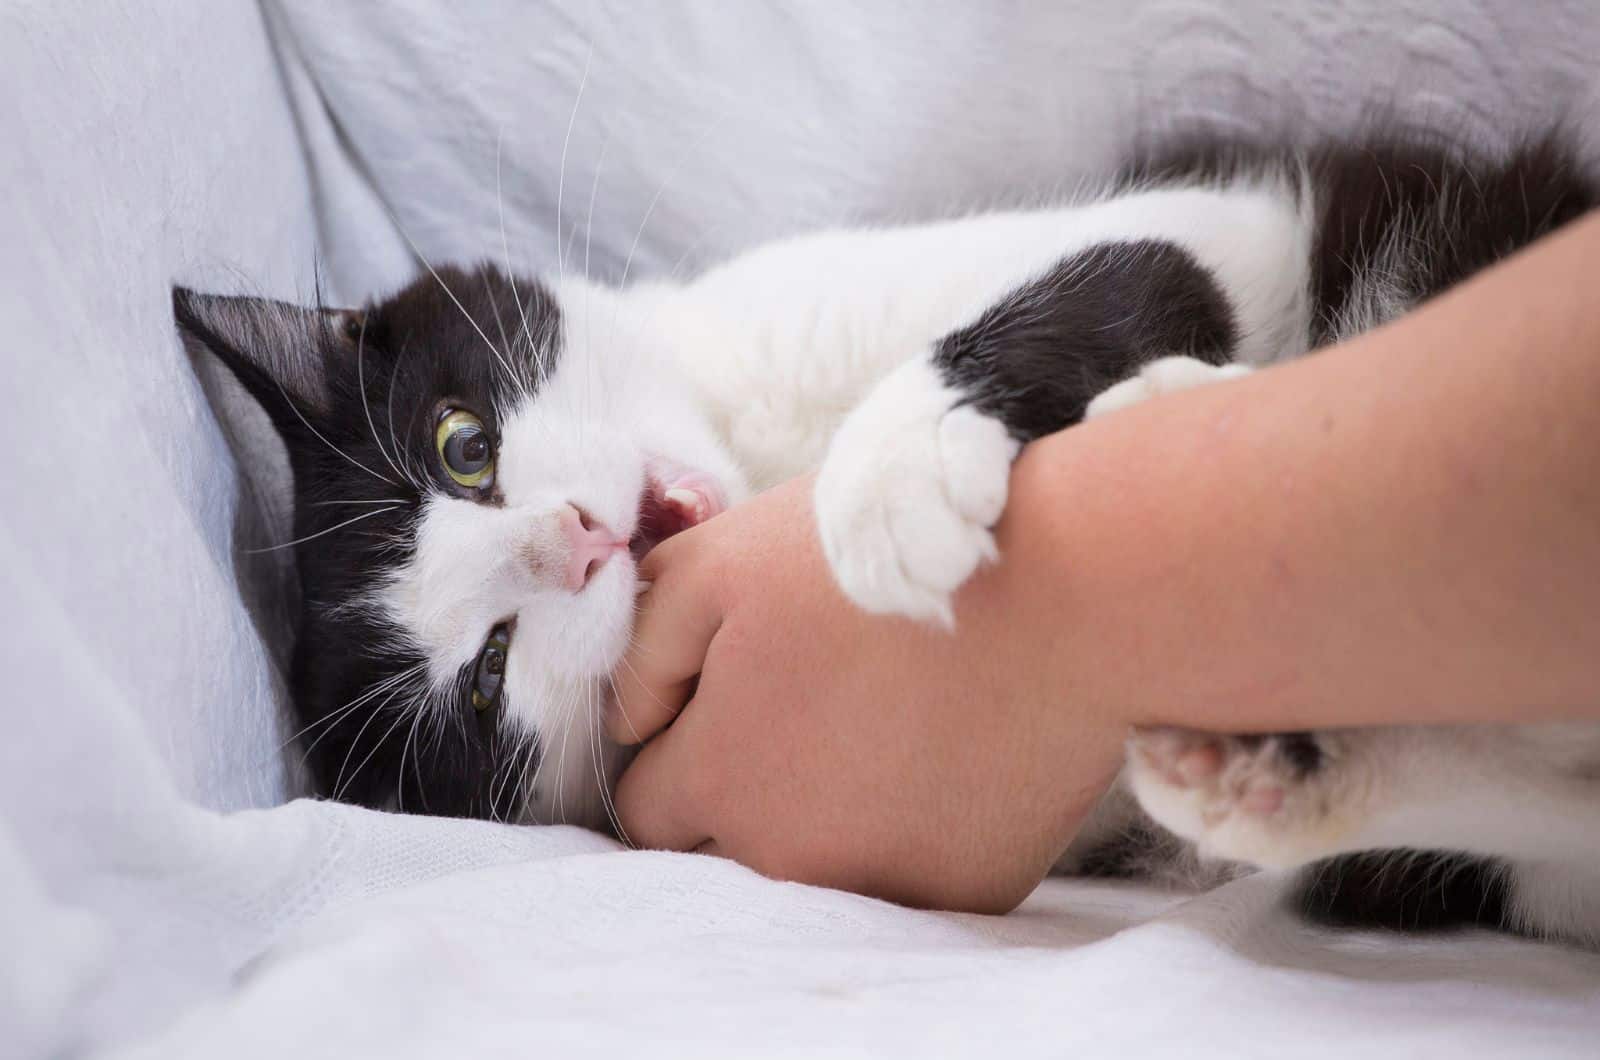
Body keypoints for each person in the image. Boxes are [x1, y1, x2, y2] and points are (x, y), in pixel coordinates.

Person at [606, 208, 1600, 915]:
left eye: (468, 448)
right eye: (486, 668)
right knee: (1520, 886)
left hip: (1422, 339)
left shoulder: (746, 327)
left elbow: (1204, 261)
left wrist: (1077, 577)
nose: (556, 544)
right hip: (1447, 829)